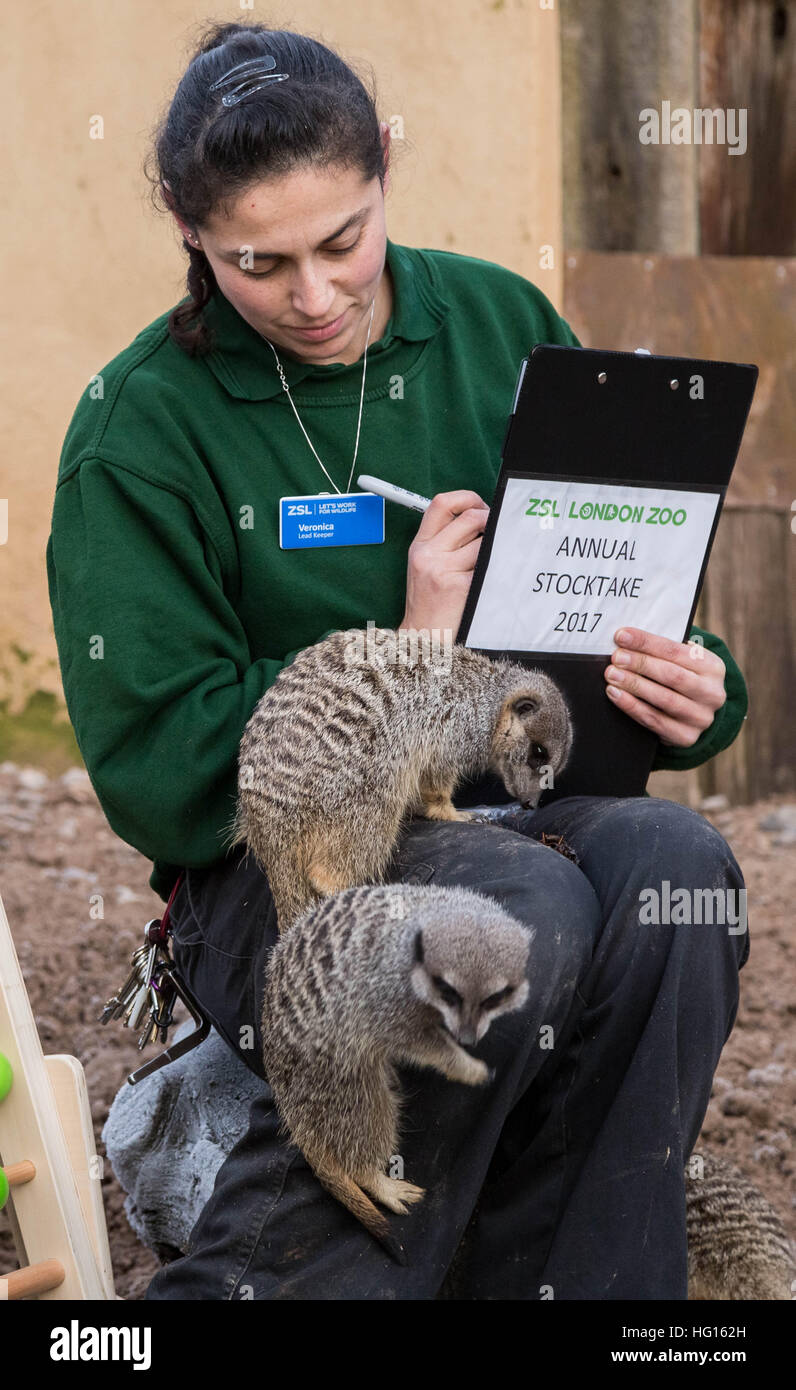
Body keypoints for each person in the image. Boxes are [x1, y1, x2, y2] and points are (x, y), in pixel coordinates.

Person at [46, 21, 749, 1300]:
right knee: (496, 917)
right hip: (281, 874)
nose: (313, 296)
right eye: (257, 262)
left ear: (385, 169)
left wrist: (691, 682)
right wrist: (410, 662)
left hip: (533, 817)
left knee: (677, 871)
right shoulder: (139, 427)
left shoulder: (502, 320)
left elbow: (612, 595)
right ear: (189, 233)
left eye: (343, 241)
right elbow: (162, 773)